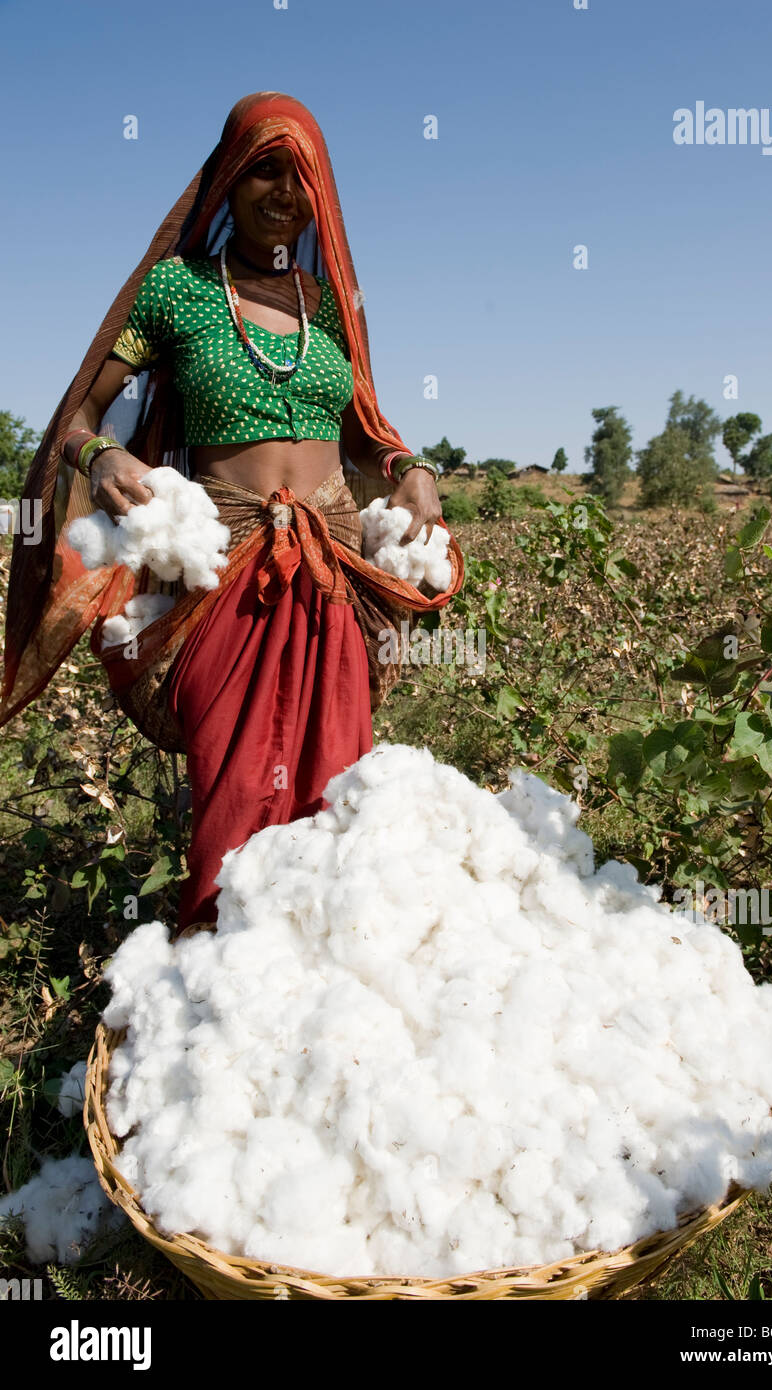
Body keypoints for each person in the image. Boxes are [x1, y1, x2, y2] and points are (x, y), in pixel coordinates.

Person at [1, 91, 464, 933]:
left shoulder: (329, 307)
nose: (282, 192)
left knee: (339, 790)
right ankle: (218, 971)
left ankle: (330, 979)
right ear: (226, 183)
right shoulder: (172, 293)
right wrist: (99, 454)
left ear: (319, 194)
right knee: (233, 785)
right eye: (262, 170)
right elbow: (76, 416)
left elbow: (364, 436)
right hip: (225, 569)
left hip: (329, 574)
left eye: (300, 175)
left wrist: (411, 470)